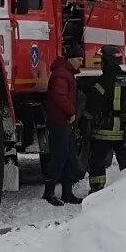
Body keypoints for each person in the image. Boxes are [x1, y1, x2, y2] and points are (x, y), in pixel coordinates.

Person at [82, 46, 126, 193]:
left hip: (106, 130)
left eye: (101, 61)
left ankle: (97, 189)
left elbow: (94, 104)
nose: (100, 64)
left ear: (107, 61)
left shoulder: (103, 81)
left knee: (97, 161)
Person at [42, 51, 85, 207]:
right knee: (59, 157)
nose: (81, 62)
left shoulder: (65, 73)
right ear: (70, 59)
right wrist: (71, 111)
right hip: (59, 122)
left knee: (68, 157)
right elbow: (59, 96)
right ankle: (49, 193)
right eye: (79, 59)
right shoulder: (61, 75)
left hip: (63, 122)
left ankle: (67, 193)